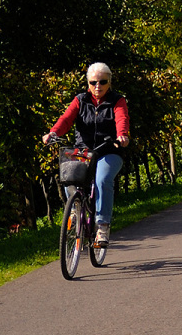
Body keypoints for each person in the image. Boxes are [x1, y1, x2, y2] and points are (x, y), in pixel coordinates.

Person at [43, 62, 130, 248]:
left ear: (109, 82)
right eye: (93, 82)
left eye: (102, 81)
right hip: (84, 151)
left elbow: (121, 118)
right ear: (88, 83)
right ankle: (75, 210)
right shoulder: (80, 100)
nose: (97, 86)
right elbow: (66, 119)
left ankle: (102, 226)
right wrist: (53, 133)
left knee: (102, 180)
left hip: (109, 150)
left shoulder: (117, 100)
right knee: (69, 176)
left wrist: (122, 135)